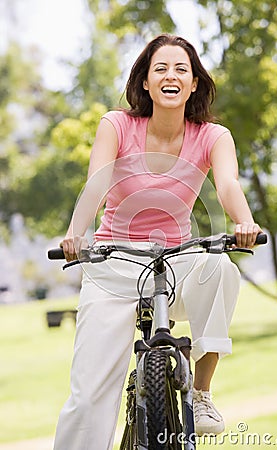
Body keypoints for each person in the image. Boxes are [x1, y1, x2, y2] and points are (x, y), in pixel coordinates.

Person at [55, 34, 262, 449]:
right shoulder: (116, 125)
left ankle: (200, 392)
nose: (171, 75)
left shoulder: (213, 136)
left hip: (176, 262)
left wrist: (245, 221)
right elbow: (96, 183)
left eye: (181, 69)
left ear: (194, 84)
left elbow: (226, 185)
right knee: (89, 396)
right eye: (160, 69)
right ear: (146, 83)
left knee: (220, 267)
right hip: (114, 261)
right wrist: (76, 233)